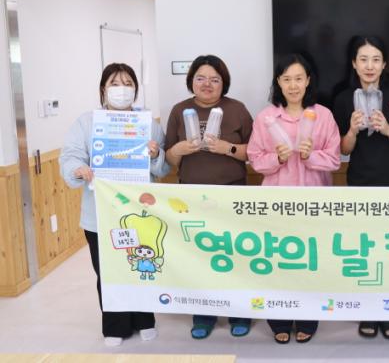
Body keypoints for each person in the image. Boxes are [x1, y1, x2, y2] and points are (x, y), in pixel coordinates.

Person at [59, 63, 169, 347]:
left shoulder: (148, 123)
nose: (122, 89)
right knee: (107, 271)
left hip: (139, 213)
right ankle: (115, 326)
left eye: (128, 83)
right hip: (100, 214)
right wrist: (78, 169)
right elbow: (71, 155)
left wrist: (155, 154)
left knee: (141, 266)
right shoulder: (87, 122)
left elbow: (163, 168)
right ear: (103, 89)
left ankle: (145, 320)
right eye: (115, 84)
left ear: (136, 89)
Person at [248, 53, 341, 343]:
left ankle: (307, 318)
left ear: (308, 80)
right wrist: (277, 158)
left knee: (310, 263)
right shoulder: (266, 118)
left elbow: (334, 160)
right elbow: (255, 159)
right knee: (278, 261)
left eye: (298, 78)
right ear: (278, 82)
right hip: (277, 204)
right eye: (286, 79)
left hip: (314, 204)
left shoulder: (323, 115)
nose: (293, 85)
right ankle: (278, 319)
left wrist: (310, 155)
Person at [333, 35, 389, 340]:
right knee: (366, 251)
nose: (370, 66)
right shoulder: (343, 97)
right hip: (361, 182)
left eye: (376, 59)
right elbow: (343, 149)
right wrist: (352, 130)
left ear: (384, 64)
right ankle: (368, 310)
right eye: (363, 59)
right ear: (354, 64)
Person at [164, 54, 253, 340]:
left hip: (232, 195)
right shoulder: (179, 111)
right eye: (200, 78)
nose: (207, 84)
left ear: (223, 83)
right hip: (192, 197)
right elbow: (168, 158)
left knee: (235, 255)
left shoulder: (237, 109)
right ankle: (203, 314)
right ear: (191, 81)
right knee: (200, 258)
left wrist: (229, 148)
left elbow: (254, 152)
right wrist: (178, 150)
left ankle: (239, 312)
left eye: (215, 79)